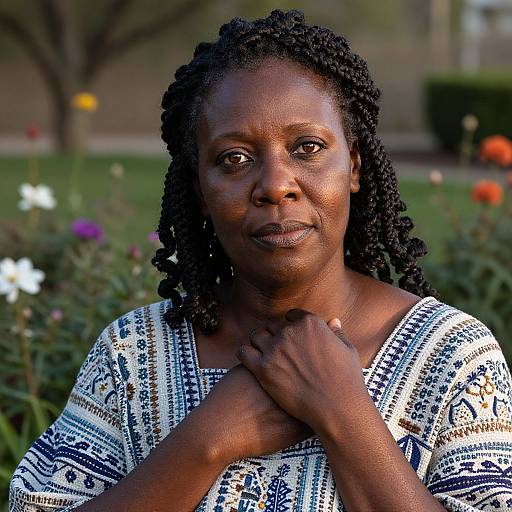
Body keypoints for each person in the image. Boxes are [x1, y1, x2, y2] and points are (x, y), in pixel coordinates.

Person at [9, 9, 512, 512]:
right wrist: (206, 442)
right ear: (200, 191)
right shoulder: (134, 357)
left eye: (307, 147)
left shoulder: (450, 358)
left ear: (354, 166)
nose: (275, 185)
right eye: (235, 159)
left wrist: (344, 413)